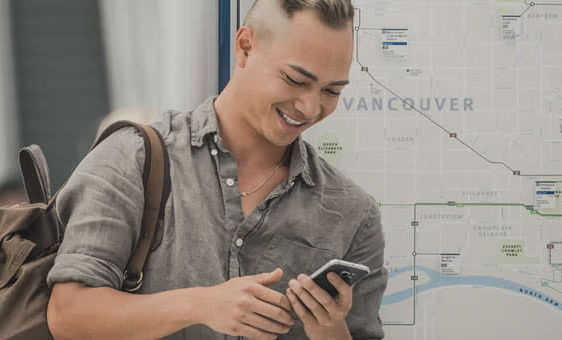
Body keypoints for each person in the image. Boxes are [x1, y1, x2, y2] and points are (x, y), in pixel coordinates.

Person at [46, 0, 386, 339]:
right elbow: (68, 316)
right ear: (245, 47)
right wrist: (201, 305)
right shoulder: (133, 157)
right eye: (295, 79)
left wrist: (330, 331)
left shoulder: (353, 214)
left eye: (331, 90)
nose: (310, 107)